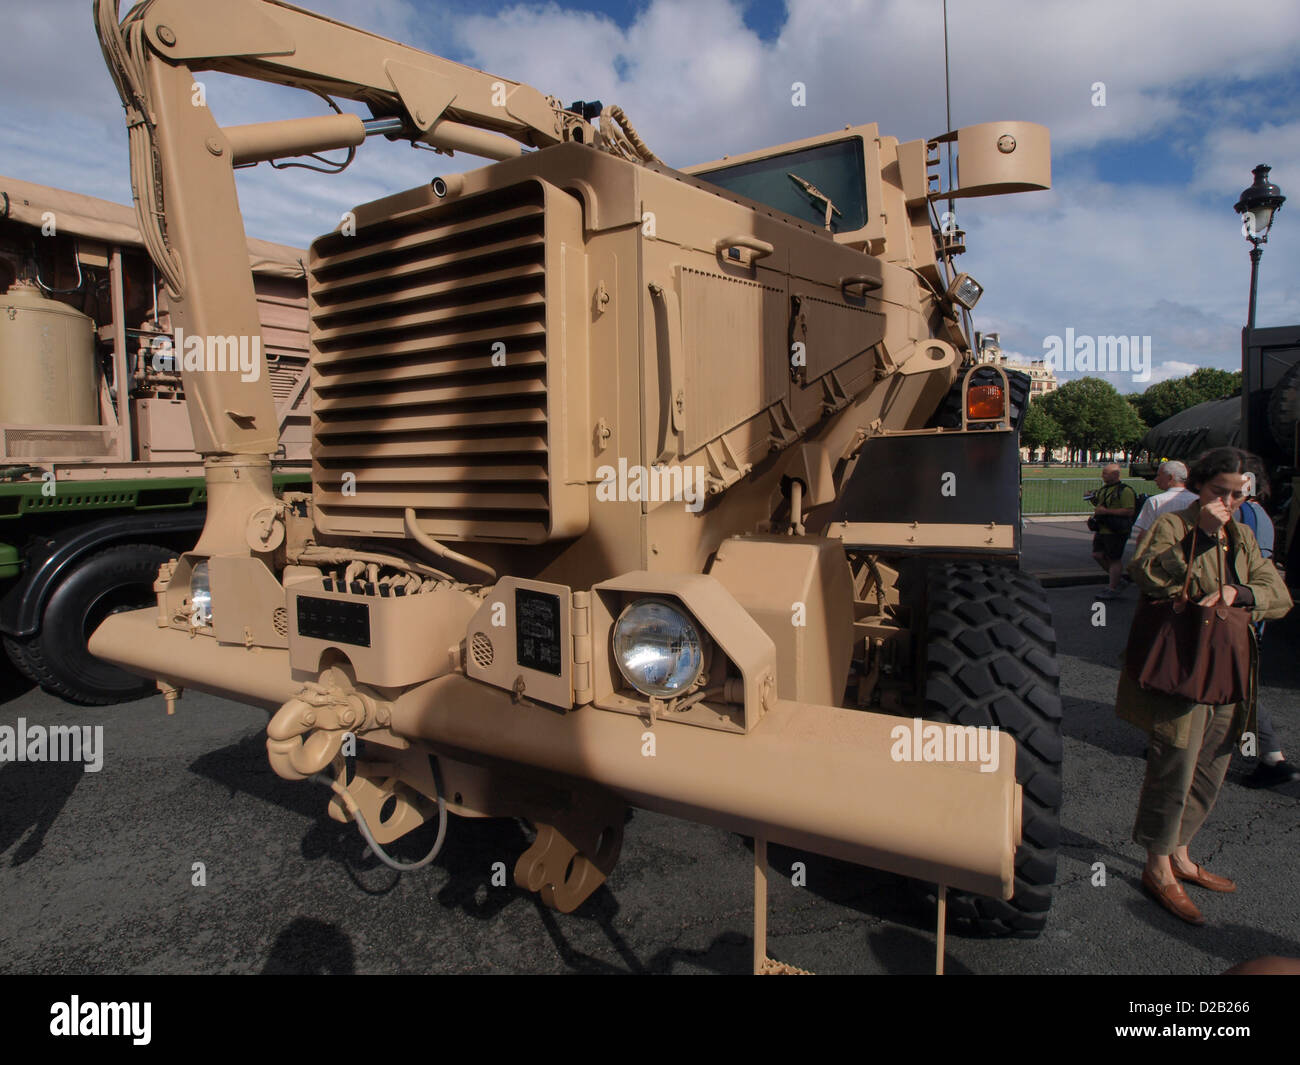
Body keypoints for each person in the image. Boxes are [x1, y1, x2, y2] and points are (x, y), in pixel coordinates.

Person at [1117, 447, 1292, 926]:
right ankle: (1157, 865)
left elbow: (1278, 595)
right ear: (1199, 486)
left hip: (1230, 669)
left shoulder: (1243, 535)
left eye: (1239, 494)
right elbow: (1147, 575)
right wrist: (1201, 534)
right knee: (1174, 766)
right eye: (1221, 492)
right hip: (1182, 671)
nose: (1230, 502)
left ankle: (1181, 855)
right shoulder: (1176, 525)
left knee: (1212, 767)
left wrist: (1241, 592)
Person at [1233, 469, 1300, 788]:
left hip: (1238, 613)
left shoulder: (1243, 515)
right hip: (1247, 610)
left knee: (1238, 686)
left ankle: (1272, 757)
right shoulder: (1257, 512)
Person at [1090, 462, 1137, 599]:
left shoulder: (1125, 491)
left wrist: (1106, 511)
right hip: (1103, 529)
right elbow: (1100, 504)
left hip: (1116, 530)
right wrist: (1092, 498)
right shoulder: (1104, 489)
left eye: (1105, 473)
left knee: (1114, 558)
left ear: (1116, 474)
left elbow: (1129, 511)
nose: (1102, 475)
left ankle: (1112, 587)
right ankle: (1117, 579)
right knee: (1097, 555)